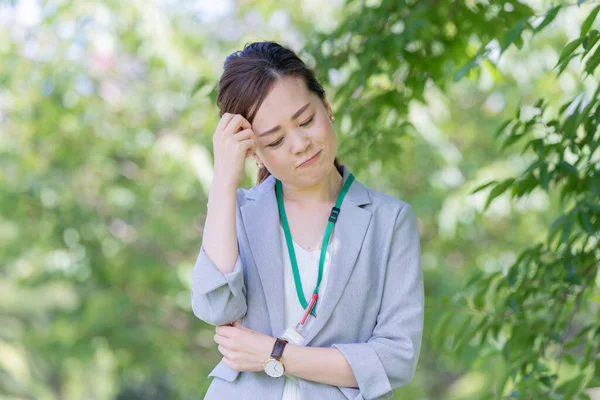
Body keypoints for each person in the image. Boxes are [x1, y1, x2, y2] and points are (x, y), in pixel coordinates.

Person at [191, 41, 424, 400]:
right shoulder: (236, 211)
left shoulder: (390, 221)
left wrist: (278, 355)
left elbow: (396, 358)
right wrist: (224, 179)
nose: (300, 144)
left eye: (306, 120)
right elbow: (217, 307)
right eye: (276, 140)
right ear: (255, 152)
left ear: (326, 106)